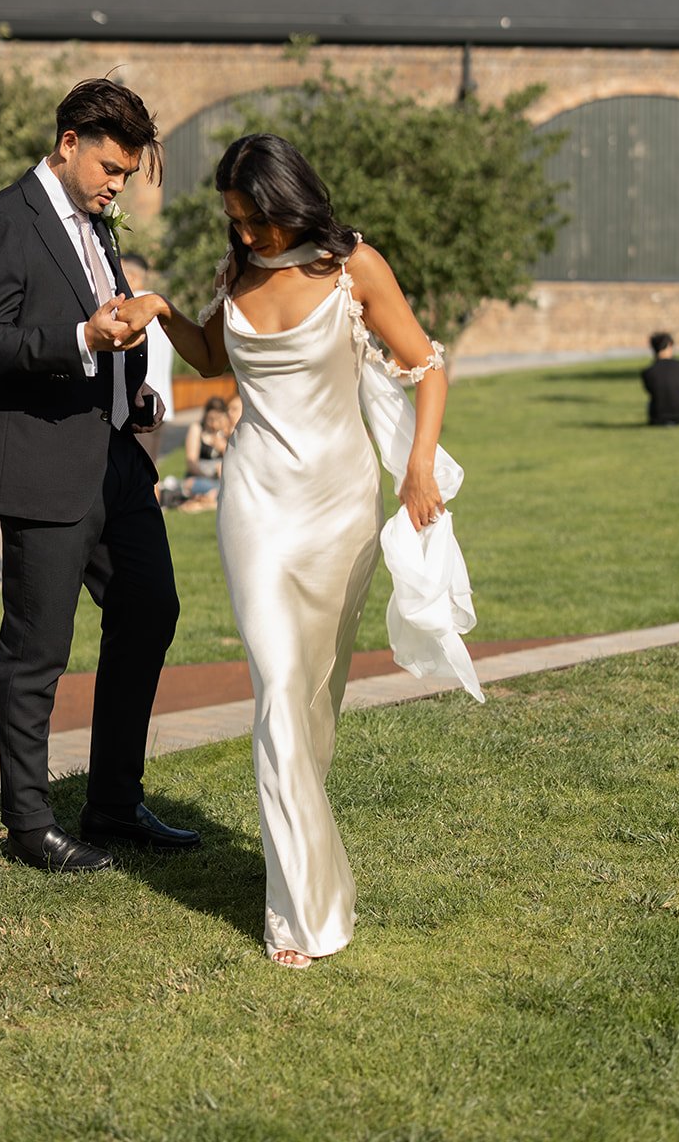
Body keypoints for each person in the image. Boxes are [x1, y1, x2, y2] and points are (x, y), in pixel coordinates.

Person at [116, 133, 456, 970]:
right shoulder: (237, 272)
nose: (246, 237)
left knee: (313, 701)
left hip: (338, 506)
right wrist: (160, 308)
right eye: (234, 222)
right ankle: (299, 915)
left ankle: (309, 862)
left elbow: (426, 365)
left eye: (255, 220)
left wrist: (417, 467)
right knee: (275, 691)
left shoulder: (353, 269)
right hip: (256, 504)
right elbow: (213, 358)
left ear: (288, 202)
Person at [0, 77, 201, 873]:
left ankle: (114, 805)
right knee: (37, 649)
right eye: (110, 168)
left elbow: (109, 323)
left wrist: (139, 389)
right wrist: (82, 339)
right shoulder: (3, 221)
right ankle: (28, 825)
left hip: (116, 460)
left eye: (124, 173)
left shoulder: (99, 224)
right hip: (43, 466)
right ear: (68, 145)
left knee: (149, 610)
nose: (116, 184)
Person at [120, 252, 174, 463]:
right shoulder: (163, 307)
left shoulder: (131, 310)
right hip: (162, 403)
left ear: (132, 278)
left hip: (140, 404)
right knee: (151, 473)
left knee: (138, 478)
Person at [180, 395, 230, 511]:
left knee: (228, 486)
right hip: (201, 476)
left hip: (221, 479)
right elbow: (191, 462)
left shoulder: (228, 431)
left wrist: (222, 448)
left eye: (218, 419)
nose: (214, 424)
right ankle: (211, 497)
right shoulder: (197, 428)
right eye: (211, 419)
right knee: (191, 484)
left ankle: (206, 498)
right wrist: (208, 475)